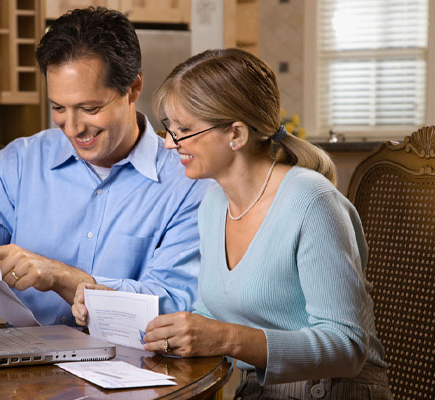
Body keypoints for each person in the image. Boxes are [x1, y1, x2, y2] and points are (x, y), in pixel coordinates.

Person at [72, 48, 392, 399]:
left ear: (236, 134)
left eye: (183, 130)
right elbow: (205, 317)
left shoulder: (312, 203)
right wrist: (113, 304)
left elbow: (347, 347)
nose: (168, 143)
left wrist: (226, 338)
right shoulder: (213, 202)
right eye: (169, 129)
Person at [0, 7, 209, 326]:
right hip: (24, 368)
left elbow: (175, 305)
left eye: (90, 108)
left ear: (133, 88)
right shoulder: (19, 163)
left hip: (138, 368)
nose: (72, 127)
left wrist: (63, 278)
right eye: (58, 108)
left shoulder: (189, 181)